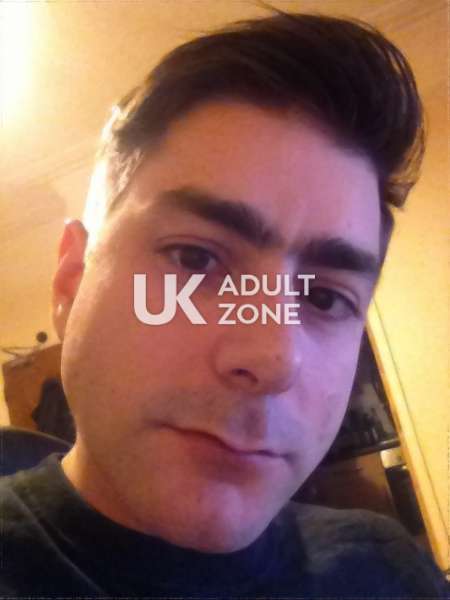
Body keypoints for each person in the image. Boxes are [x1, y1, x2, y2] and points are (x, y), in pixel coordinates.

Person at [0, 8, 447, 598]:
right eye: (195, 259)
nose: (272, 358)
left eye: (323, 297)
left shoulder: (388, 572)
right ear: (72, 282)